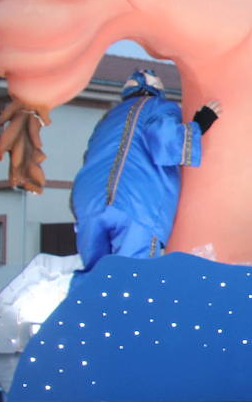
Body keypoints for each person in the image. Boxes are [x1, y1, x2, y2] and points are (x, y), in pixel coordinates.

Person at [71, 68, 219, 271]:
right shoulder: (159, 107)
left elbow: (89, 156)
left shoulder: (109, 118)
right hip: (136, 203)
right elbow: (165, 143)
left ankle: (91, 302)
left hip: (90, 203)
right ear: (157, 89)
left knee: (95, 276)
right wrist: (198, 125)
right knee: (133, 275)